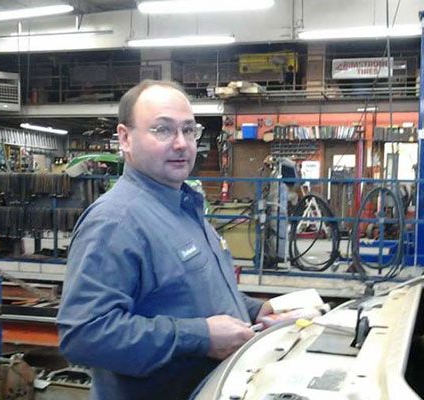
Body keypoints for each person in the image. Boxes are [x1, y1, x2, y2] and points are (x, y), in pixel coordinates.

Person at [57, 80, 273, 400]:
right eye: (163, 130)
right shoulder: (116, 221)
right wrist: (201, 337)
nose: (182, 144)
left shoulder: (185, 205)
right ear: (125, 138)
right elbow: (84, 335)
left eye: (189, 130)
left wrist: (257, 311)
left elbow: (193, 294)